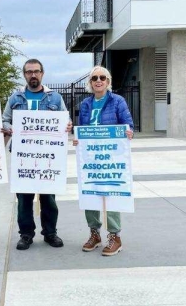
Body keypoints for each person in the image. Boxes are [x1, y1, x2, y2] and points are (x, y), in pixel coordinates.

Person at [2, 59, 73, 250]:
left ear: (42, 73)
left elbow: (66, 120)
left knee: (48, 197)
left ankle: (50, 233)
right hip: (23, 157)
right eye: (29, 72)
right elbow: (5, 120)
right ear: (24, 74)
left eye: (36, 71)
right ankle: (26, 234)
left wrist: (68, 125)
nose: (33, 75)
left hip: (48, 156)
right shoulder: (15, 98)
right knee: (24, 198)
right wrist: (11, 128)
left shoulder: (55, 98)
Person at [73, 65, 134, 256]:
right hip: (90, 159)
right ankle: (94, 233)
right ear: (90, 83)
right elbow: (81, 130)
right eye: (94, 78)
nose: (98, 81)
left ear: (108, 81)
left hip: (111, 158)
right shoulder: (85, 104)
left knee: (111, 193)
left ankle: (115, 236)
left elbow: (128, 125)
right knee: (90, 193)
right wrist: (77, 139)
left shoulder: (118, 101)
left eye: (102, 77)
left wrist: (128, 133)